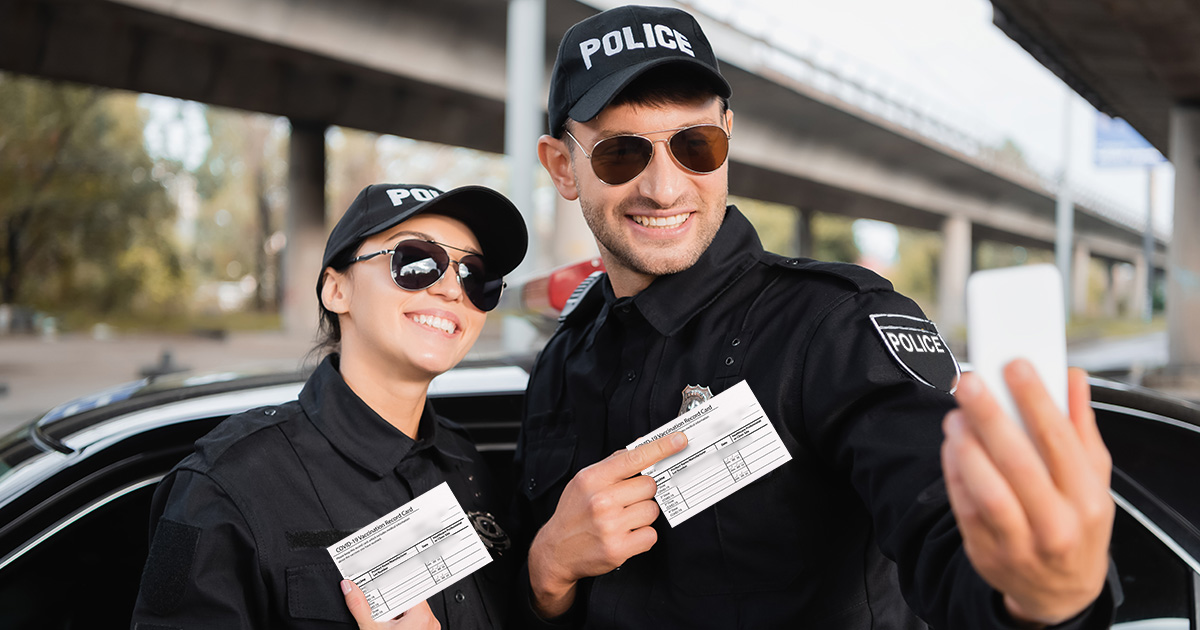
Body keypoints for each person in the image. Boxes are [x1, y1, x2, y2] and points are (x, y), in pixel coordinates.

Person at [512, 5, 1118, 629]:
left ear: (727, 136)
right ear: (562, 166)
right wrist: (544, 575)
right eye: (620, 154)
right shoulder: (561, 361)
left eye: (696, 145)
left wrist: (1040, 596)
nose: (664, 188)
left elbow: (943, 521)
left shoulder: (838, 327)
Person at [130, 183, 526, 629]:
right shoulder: (226, 484)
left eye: (473, 274)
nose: (453, 290)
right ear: (336, 291)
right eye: (416, 261)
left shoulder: (467, 463)